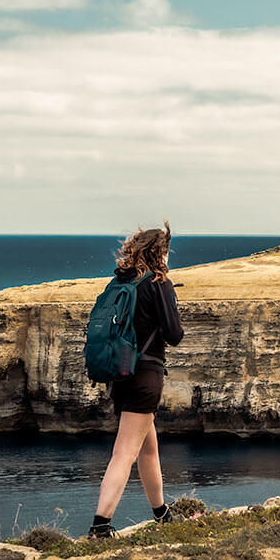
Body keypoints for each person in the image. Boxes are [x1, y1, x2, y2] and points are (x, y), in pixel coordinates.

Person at [89, 223, 184, 539]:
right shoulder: (159, 284)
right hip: (146, 377)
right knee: (125, 453)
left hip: (122, 374)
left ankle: (162, 514)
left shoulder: (122, 282)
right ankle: (100, 525)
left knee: (148, 449)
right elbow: (174, 334)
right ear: (161, 251)